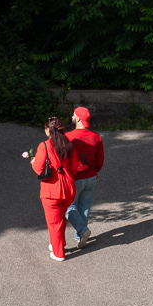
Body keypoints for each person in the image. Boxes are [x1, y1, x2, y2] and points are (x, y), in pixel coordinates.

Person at [25, 117, 78, 262]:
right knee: (61, 219)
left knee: (54, 223)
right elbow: (74, 167)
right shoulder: (69, 144)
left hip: (51, 189)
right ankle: (59, 243)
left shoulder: (44, 145)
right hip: (68, 187)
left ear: (49, 130)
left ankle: (58, 253)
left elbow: (39, 169)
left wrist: (33, 161)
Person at [64, 104, 104, 248]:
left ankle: (82, 230)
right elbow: (100, 158)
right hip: (91, 177)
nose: (72, 117)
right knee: (84, 207)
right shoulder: (96, 137)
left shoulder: (68, 137)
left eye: (74, 115)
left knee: (68, 207)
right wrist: (97, 170)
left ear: (78, 119)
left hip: (75, 178)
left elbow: (64, 158)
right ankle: (79, 235)